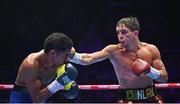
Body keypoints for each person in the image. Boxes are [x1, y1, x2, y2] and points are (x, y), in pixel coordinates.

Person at [69, 17, 168, 103]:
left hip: (151, 97)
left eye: (124, 32)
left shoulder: (151, 50)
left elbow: (164, 78)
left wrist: (150, 71)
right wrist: (70, 55)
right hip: (127, 99)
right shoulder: (114, 51)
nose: (120, 36)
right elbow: (89, 58)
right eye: (118, 32)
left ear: (135, 33)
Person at [9, 32, 79, 103]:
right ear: (53, 53)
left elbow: (86, 59)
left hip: (42, 97)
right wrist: (60, 83)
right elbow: (37, 99)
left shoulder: (57, 60)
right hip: (22, 98)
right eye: (65, 55)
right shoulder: (31, 65)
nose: (67, 59)